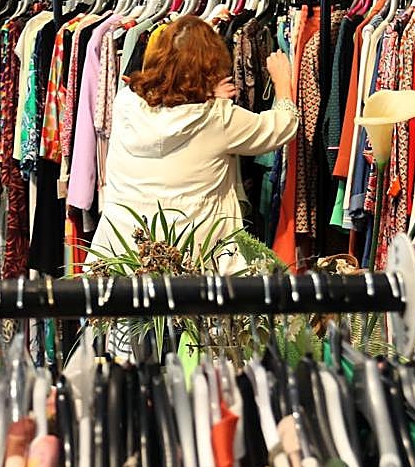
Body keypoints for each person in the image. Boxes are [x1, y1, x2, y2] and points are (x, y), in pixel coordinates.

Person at [89, 15, 298, 273]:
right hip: (191, 264)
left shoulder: (125, 103)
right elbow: (282, 126)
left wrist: (209, 96)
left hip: (124, 256)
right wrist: (282, 84)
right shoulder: (218, 118)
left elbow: (172, 103)